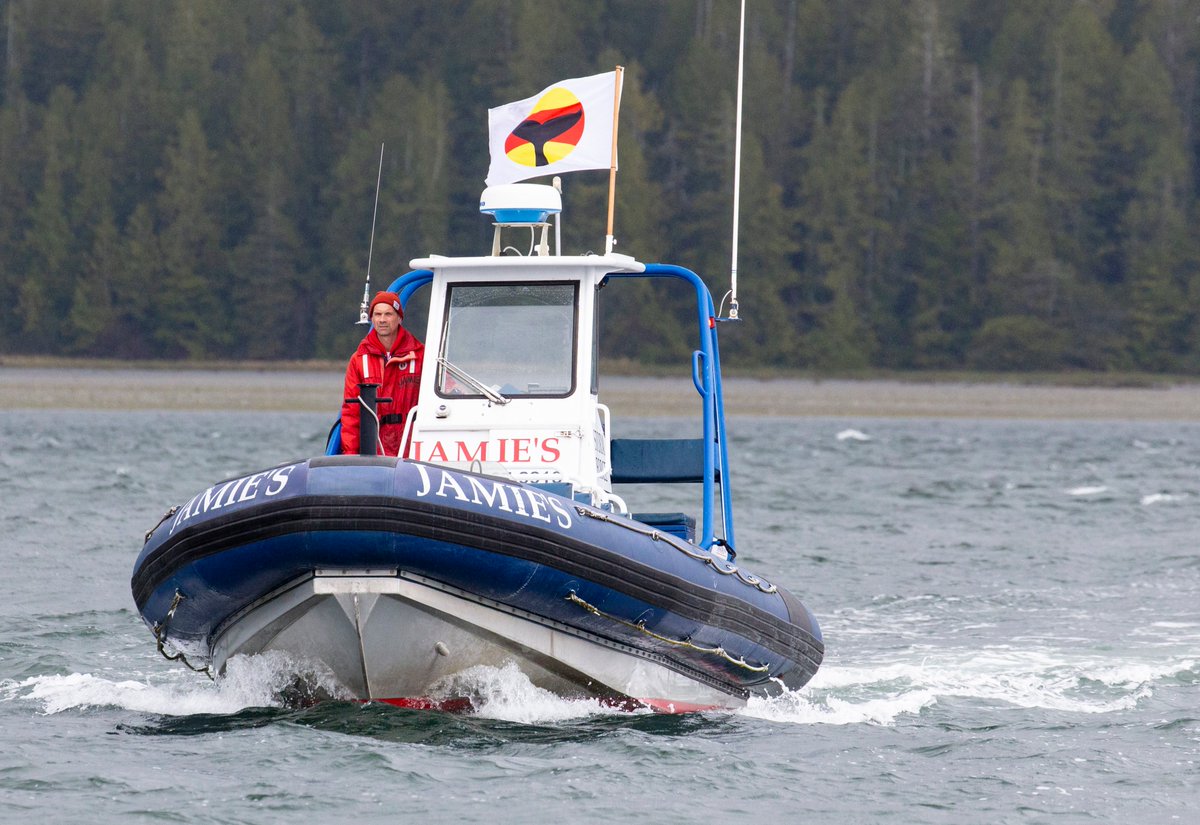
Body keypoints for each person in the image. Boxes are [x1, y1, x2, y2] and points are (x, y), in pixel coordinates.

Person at [340, 291, 424, 456]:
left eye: (388, 314)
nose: (382, 319)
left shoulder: (421, 356)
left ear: (399, 318)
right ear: (371, 318)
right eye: (377, 314)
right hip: (374, 448)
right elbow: (351, 413)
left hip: (412, 448)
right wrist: (350, 456)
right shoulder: (359, 359)